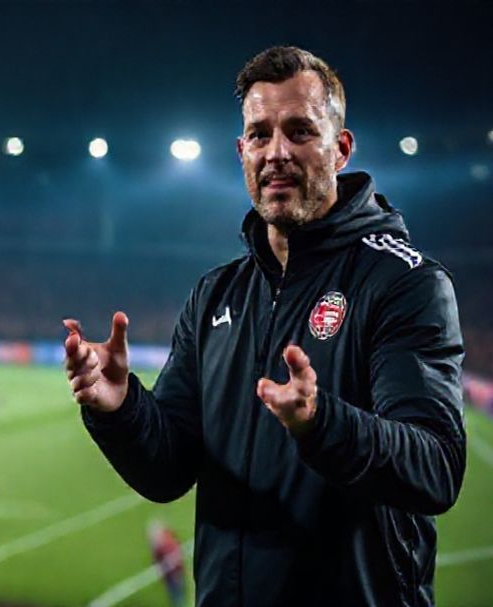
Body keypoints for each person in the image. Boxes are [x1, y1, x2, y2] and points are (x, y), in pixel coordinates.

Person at [64, 46, 465, 606]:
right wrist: (120, 407)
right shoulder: (215, 295)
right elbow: (167, 471)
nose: (276, 152)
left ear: (340, 148)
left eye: (300, 131)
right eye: (259, 134)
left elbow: (436, 467)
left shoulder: (403, 282)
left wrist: (322, 422)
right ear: (241, 151)